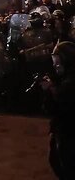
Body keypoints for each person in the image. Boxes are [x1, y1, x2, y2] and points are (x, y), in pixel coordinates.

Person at [40, 42, 75, 179]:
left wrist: (50, 90)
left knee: (65, 165)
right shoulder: (67, 79)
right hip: (65, 130)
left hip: (68, 132)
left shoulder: (69, 85)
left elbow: (54, 107)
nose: (55, 67)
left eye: (58, 64)